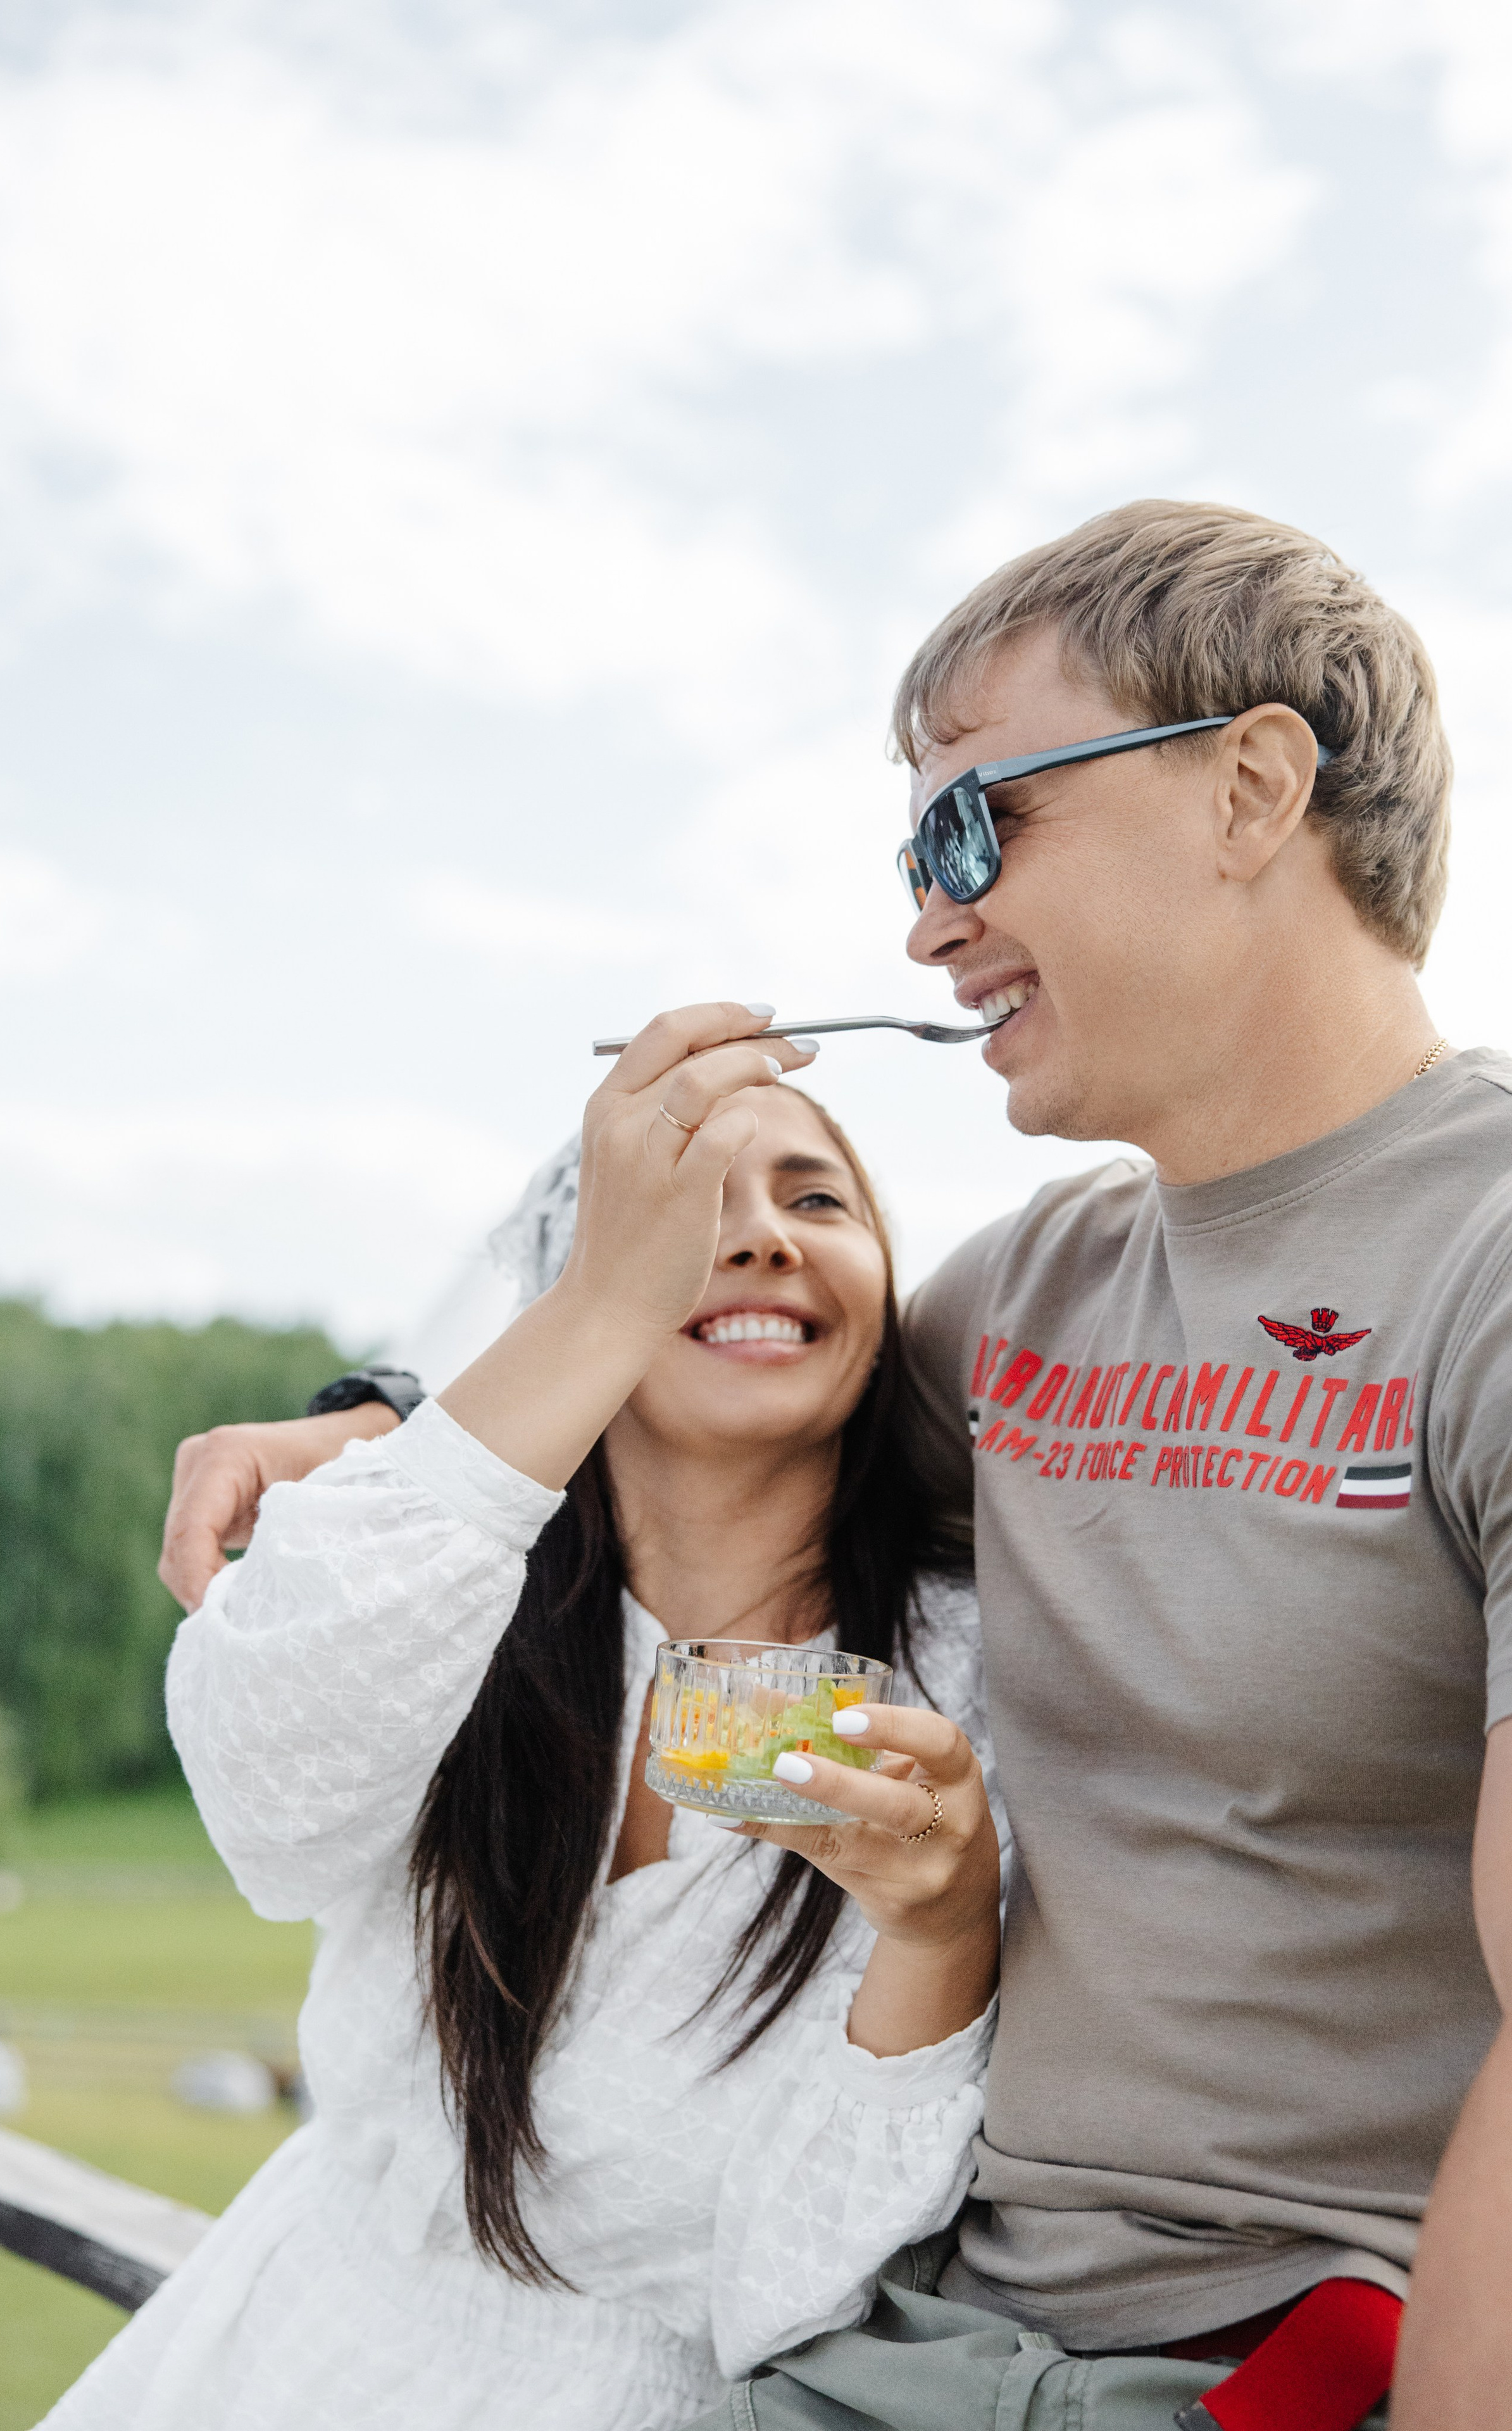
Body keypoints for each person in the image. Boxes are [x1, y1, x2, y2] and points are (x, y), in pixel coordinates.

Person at [143, 495, 1509, 2431]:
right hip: (916, 2354)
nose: (927, 919)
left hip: (1284, 2368)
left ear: (1250, 790)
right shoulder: (1035, 1291)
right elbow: (715, 1395)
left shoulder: (1486, 1269)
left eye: (974, 822)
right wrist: (382, 1420)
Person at [38, 1074, 1009, 2431]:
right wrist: (423, 1409)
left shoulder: (965, 1689)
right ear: (568, 1301)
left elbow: (803, 2280)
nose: (759, 1237)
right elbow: (272, 1813)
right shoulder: (450, 1609)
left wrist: (941, 1936)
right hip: (276, 2359)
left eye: (814, 1199)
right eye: (675, 1210)